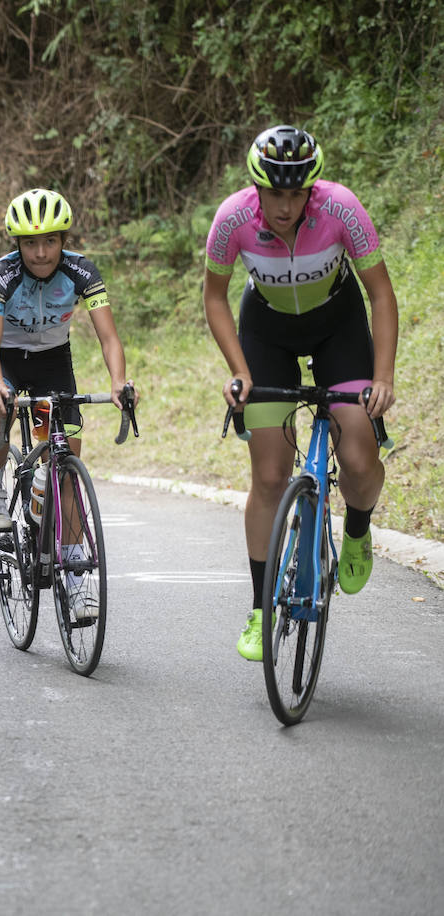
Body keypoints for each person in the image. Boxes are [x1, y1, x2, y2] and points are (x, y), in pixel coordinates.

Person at [203, 124, 398, 661]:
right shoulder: (233, 219)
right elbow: (215, 298)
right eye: (274, 194)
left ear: (311, 188)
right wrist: (239, 369)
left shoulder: (341, 209)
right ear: (256, 188)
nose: (285, 207)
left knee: (358, 456)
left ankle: (356, 530)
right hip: (266, 331)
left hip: (338, 326)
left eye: (296, 193)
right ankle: (261, 608)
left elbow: (380, 293)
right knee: (268, 475)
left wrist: (382, 376)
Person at [0, 188, 134, 618]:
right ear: (16, 244)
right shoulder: (0, 275)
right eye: (29, 243)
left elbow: (109, 336)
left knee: (66, 469)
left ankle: (77, 579)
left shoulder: (82, 271)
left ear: (63, 240)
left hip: (52, 360)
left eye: (49, 242)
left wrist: (119, 382)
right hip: (2, 358)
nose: (40, 253)